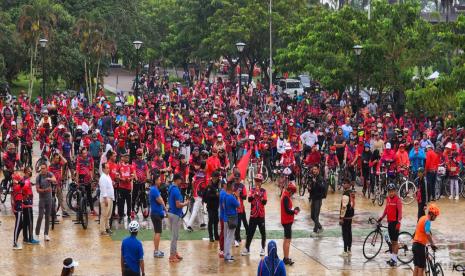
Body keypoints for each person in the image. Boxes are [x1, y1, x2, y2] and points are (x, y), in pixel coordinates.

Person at [378, 183, 403, 267]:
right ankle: (392, 259)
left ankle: (395, 261)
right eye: (389, 192)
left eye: (392, 191)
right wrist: (381, 217)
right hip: (390, 223)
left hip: (395, 223)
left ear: (395, 191)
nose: (391, 193)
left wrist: (399, 223)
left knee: (395, 243)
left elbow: (400, 213)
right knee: (392, 243)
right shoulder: (388, 199)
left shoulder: (397, 200)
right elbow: (386, 210)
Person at [242, 174, 267, 256]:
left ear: (261, 182)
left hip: (261, 215)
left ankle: (263, 248)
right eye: (256, 180)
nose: (257, 182)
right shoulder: (252, 190)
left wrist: (259, 195)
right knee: (250, 232)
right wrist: (254, 194)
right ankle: (247, 248)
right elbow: (249, 200)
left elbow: (264, 202)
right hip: (253, 215)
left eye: (259, 181)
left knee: (262, 232)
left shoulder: (264, 191)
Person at [412, 204, 440, 276]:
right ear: (431, 214)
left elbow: (420, 229)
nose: (435, 218)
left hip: (414, 244)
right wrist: (432, 244)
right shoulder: (428, 221)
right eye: (435, 216)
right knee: (421, 268)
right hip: (420, 246)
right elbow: (427, 233)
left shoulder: (422, 218)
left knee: (416, 267)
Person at [167, 173, 188, 263]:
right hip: (175, 214)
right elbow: (178, 205)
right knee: (174, 236)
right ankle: (172, 256)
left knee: (175, 235)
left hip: (172, 213)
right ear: (176, 180)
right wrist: (186, 204)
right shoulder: (175, 190)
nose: (181, 181)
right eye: (180, 179)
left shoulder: (171, 187)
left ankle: (174, 252)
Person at [35, 163, 56, 242]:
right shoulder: (38, 177)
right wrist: (45, 190)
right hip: (42, 199)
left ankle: (46, 234)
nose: (43, 170)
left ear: (47, 169)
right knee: (40, 216)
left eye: (44, 168)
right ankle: (37, 234)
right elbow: (37, 190)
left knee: (47, 216)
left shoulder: (49, 174)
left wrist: (50, 179)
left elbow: (55, 179)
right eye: (42, 168)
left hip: (49, 199)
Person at [280, 182, 299, 265]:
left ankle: (285, 257)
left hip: (286, 221)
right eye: (293, 192)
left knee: (285, 240)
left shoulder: (285, 194)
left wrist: (293, 210)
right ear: (291, 191)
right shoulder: (286, 197)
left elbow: (287, 208)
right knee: (288, 240)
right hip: (287, 221)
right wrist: (295, 211)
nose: (293, 194)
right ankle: (286, 258)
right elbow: (287, 210)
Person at [222, 180, 240, 263]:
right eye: (233, 186)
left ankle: (226, 254)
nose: (234, 187)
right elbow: (238, 205)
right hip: (232, 218)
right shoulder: (231, 197)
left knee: (227, 237)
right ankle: (227, 255)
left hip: (226, 218)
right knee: (229, 237)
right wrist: (238, 196)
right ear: (230, 187)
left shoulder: (225, 196)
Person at [149, 174, 166, 258]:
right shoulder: (154, 190)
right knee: (158, 233)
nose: (160, 181)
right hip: (156, 214)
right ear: (155, 181)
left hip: (156, 213)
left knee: (157, 232)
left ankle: (156, 250)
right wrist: (165, 209)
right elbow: (160, 200)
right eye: (159, 180)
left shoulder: (154, 189)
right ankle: (156, 251)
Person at [22, 167, 39, 244]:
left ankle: (25, 238)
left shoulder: (23, 179)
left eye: (30, 171)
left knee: (25, 221)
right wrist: (26, 196)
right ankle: (31, 238)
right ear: (25, 172)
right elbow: (25, 187)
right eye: (29, 171)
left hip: (24, 204)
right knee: (30, 221)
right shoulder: (26, 181)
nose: (30, 172)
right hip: (28, 204)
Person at [203, 170, 221, 242]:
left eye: (216, 178)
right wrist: (215, 195)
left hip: (216, 206)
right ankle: (211, 236)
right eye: (214, 178)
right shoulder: (209, 186)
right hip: (210, 206)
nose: (215, 179)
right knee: (211, 220)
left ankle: (216, 235)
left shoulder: (219, 185)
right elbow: (207, 196)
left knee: (216, 220)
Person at [339, 179, 355, 257]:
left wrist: (341, 217)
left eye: (345, 183)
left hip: (345, 217)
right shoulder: (352, 193)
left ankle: (345, 251)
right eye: (343, 183)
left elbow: (344, 207)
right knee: (349, 233)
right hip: (350, 216)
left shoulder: (345, 194)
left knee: (345, 234)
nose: (343, 185)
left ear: (348, 185)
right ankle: (349, 250)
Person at [308, 165, 325, 235]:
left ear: (318, 170)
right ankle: (320, 227)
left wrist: (316, 182)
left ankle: (315, 231)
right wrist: (309, 189)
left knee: (316, 215)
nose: (314, 171)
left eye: (315, 169)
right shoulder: (313, 177)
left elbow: (322, 188)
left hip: (318, 199)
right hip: (313, 198)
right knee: (312, 216)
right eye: (313, 169)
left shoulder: (320, 178)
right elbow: (312, 188)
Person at [99, 162, 115, 235]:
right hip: (106, 198)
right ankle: (102, 230)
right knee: (104, 215)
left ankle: (107, 227)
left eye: (109, 167)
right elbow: (103, 189)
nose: (108, 169)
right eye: (107, 168)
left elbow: (109, 185)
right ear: (103, 169)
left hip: (110, 197)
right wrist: (105, 199)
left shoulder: (108, 176)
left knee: (108, 215)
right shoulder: (103, 177)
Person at [12, 173, 24, 250]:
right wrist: (18, 181)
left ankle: (15, 240)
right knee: (17, 225)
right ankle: (15, 243)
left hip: (19, 205)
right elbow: (22, 183)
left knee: (21, 224)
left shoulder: (16, 186)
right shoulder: (16, 186)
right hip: (18, 206)